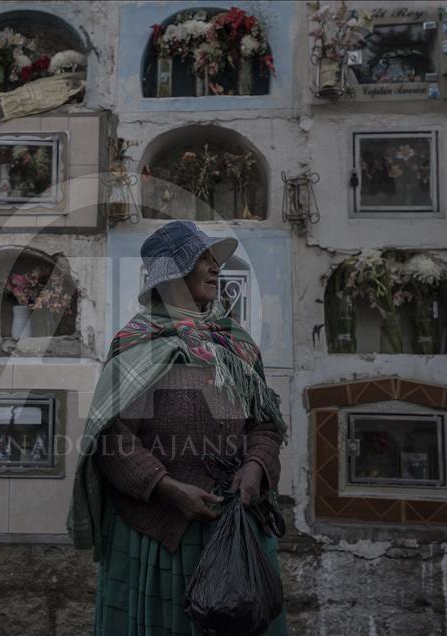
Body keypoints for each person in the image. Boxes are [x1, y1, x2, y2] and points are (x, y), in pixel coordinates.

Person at [67, 220, 289, 635]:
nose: (214, 267)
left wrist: (256, 465)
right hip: (161, 533)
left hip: (238, 524)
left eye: (213, 259)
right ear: (173, 274)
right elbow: (113, 440)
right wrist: (168, 488)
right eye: (202, 259)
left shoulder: (234, 343)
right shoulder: (137, 343)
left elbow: (265, 423)